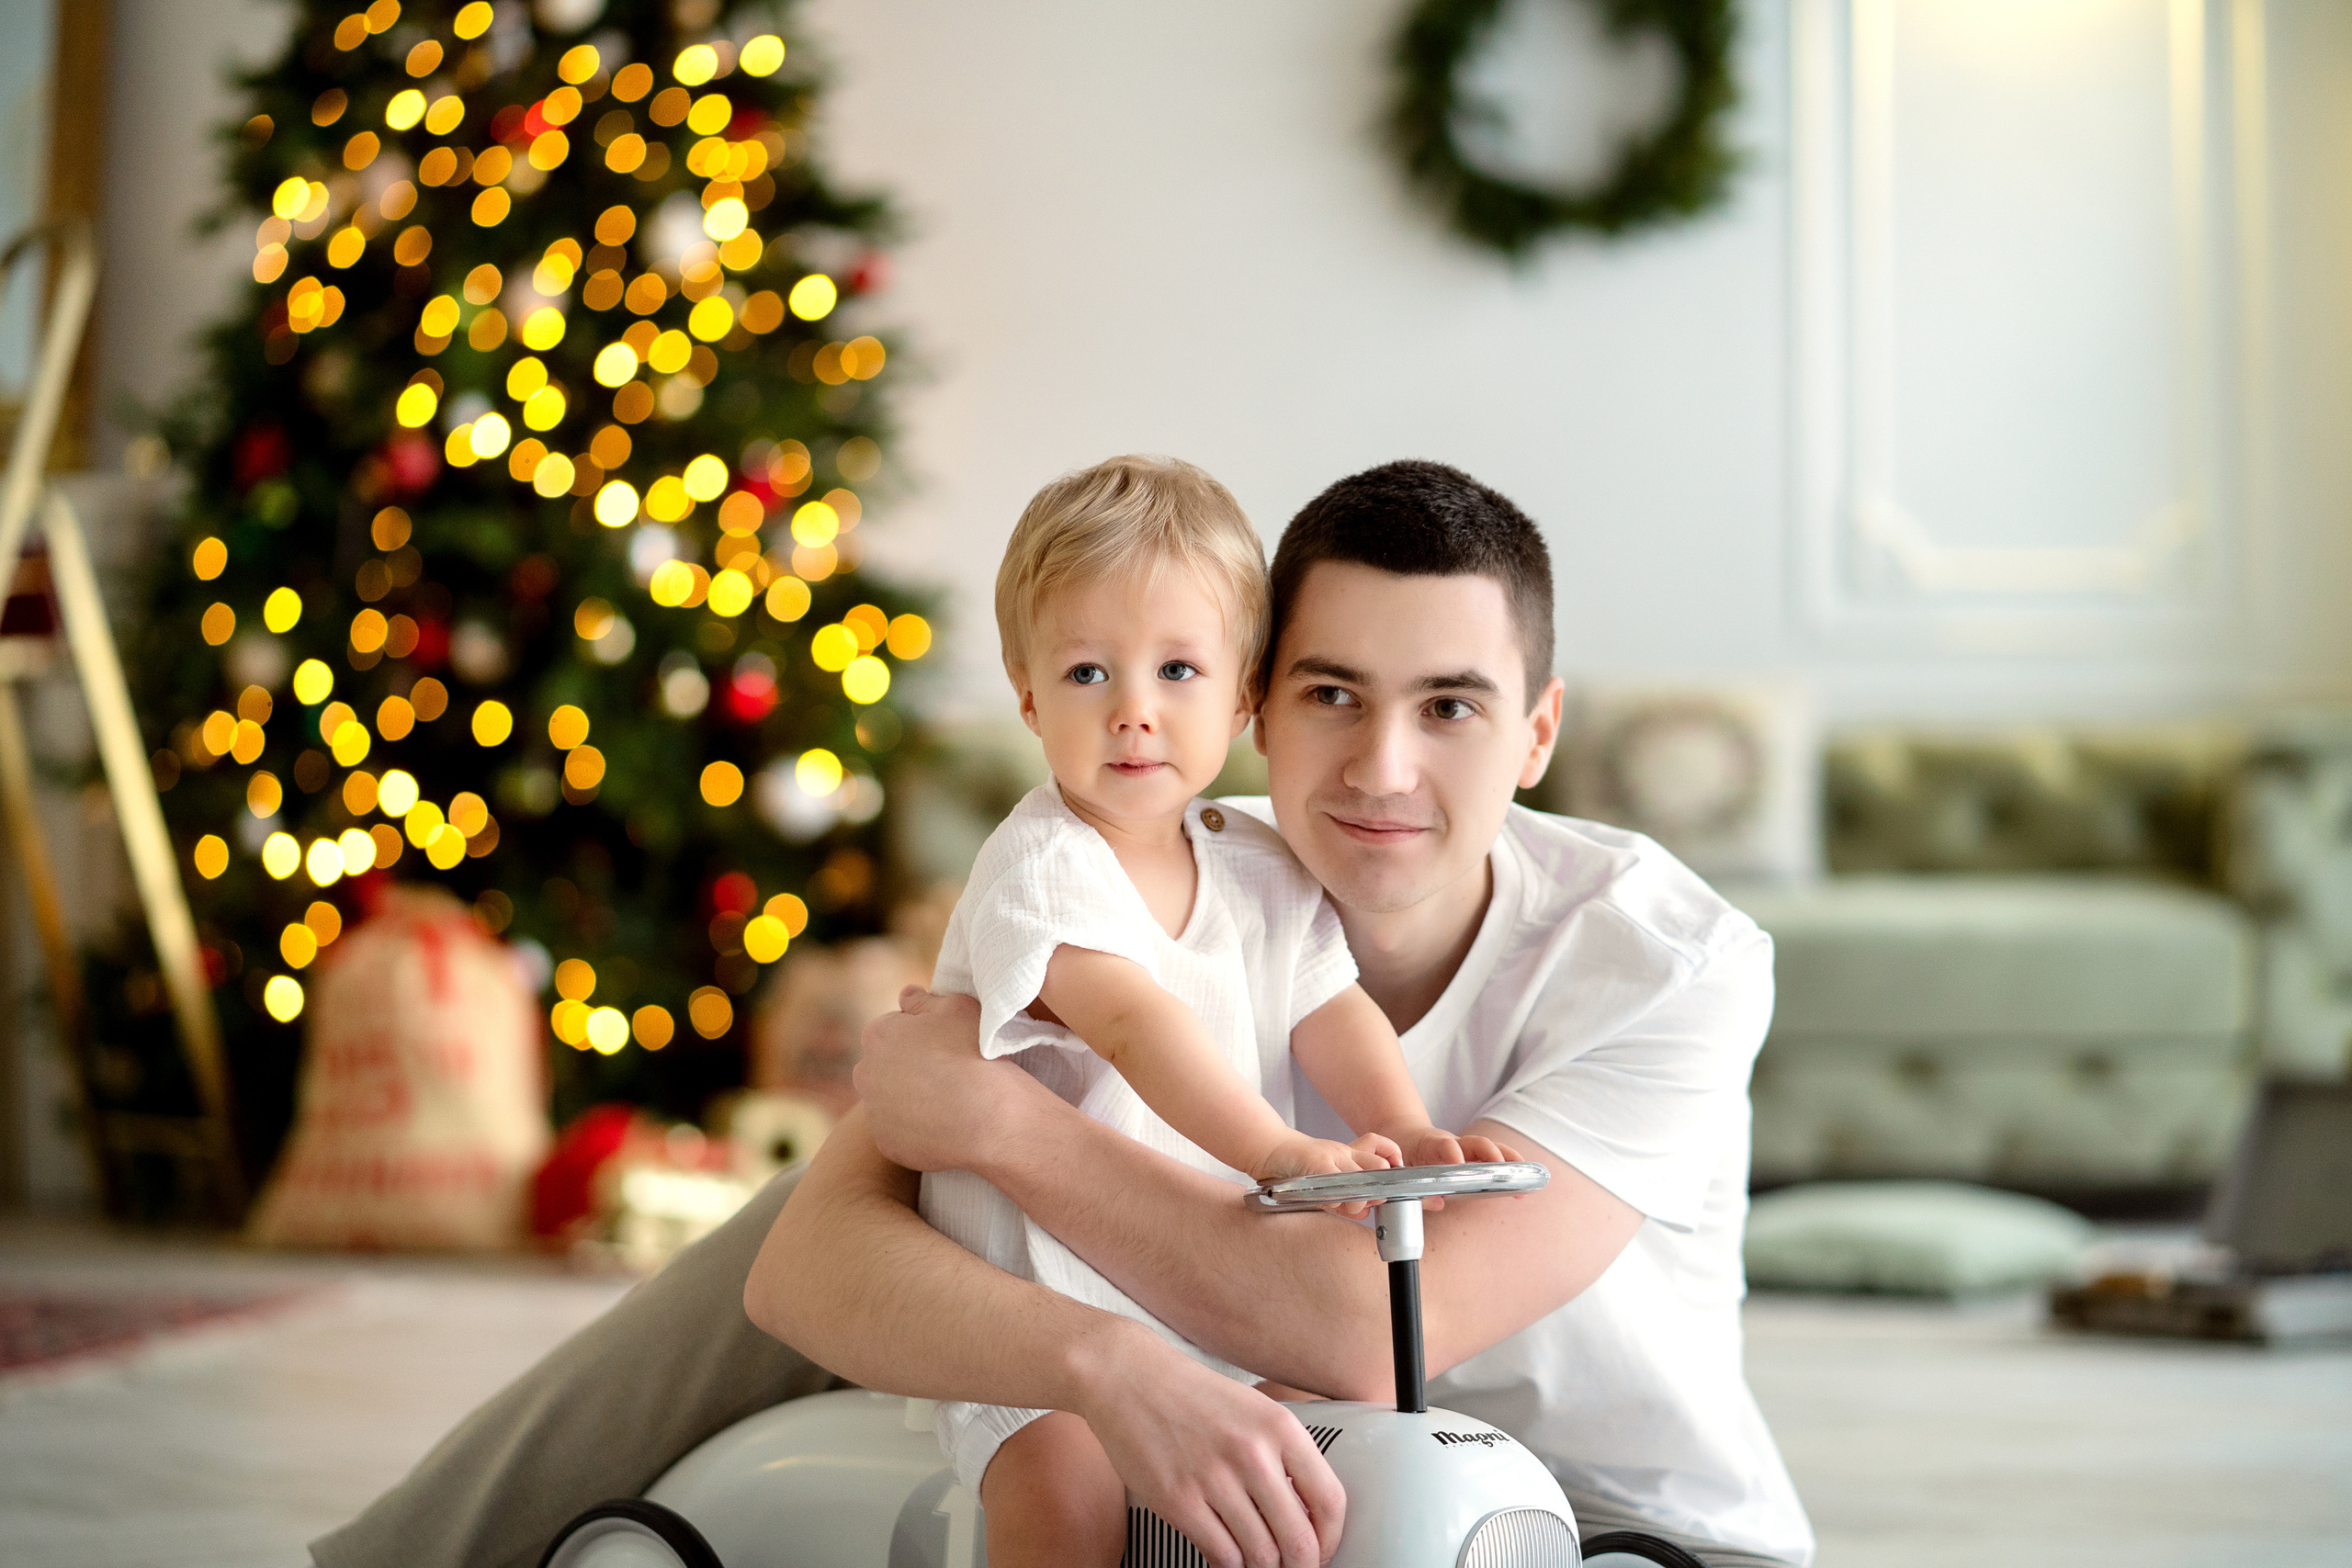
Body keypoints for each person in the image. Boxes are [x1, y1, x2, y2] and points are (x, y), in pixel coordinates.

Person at [310, 459, 1812, 1568]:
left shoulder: (1666, 960)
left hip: (1609, 1523)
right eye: (1333, 694)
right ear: (1257, 706)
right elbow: (802, 1266)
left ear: (1539, 730)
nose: (1383, 767)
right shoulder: (1170, 860)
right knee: (858, 1220)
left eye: (1453, 705)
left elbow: (1367, 1327)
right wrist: (1096, 1356)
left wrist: (1002, 1125)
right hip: (1282, 1458)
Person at [912, 453, 1501, 1566]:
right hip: (1039, 1316)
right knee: (1067, 1492)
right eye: (1087, 673)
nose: (1133, 712)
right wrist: (1278, 1151)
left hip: (1197, 1293)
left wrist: (1401, 1128)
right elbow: (1132, 1025)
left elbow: (1330, 1008)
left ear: (1242, 697)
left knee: (1324, 1445)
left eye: (1177, 670)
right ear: (1028, 694)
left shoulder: (1256, 862)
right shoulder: (1042, 866)